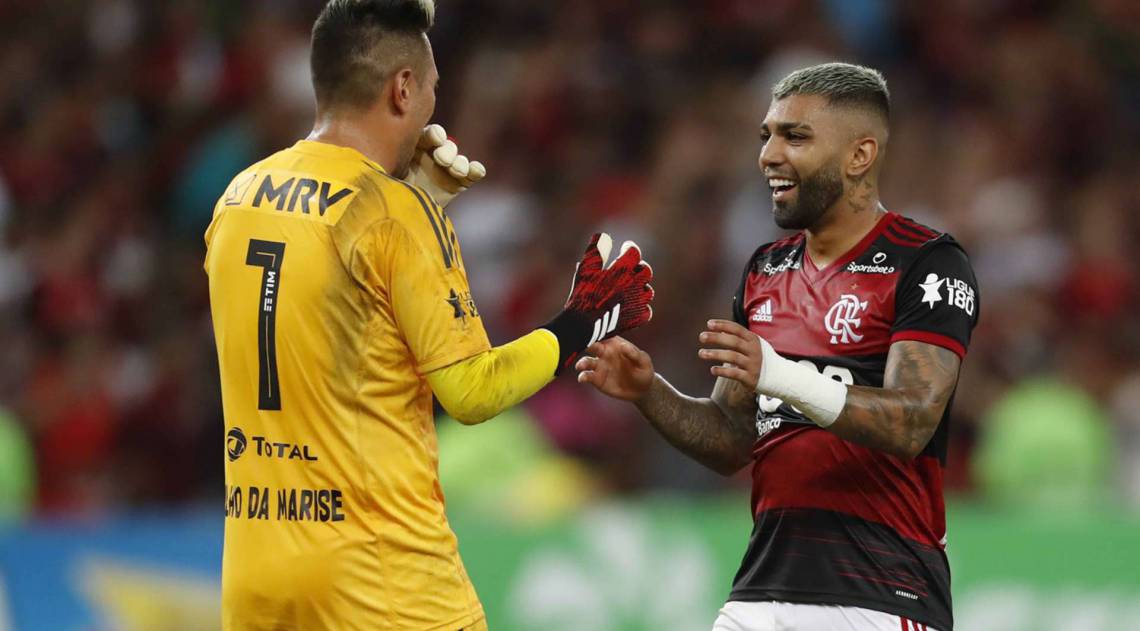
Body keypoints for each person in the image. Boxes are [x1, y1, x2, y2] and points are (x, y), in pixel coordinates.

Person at [203, 1, 654, 629]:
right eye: (433, 87)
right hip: (381, 578)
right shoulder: (395, 214)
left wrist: (411, 197)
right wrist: (579, 325)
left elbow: (317, 316)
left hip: (259, 572)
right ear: (403, 88)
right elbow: (471, 389)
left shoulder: (237, 197)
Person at [576, 62, 979, 631]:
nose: (769, 154)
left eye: (795, 136)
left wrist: (780, 374)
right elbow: (731, 438)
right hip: (760, 593)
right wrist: (648, 392)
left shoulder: (928, 261)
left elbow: (912, 420)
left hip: (881, 595)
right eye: (766, 135)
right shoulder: (766, 271)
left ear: (859, 156)